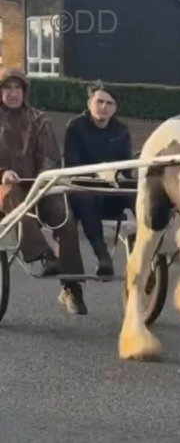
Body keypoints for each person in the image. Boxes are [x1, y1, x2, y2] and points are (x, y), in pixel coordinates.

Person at [0, 68, 88, 315]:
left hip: (37, 185)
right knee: (13, 196)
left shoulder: (39, 120)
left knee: (63, 213)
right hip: (4, 188)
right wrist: (3, 172)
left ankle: (72, 287)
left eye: (17, 88)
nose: (13, 93)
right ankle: (44, 254)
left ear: (25, 91)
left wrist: (43, 177)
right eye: (7, 88)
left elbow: (50, 156)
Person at [64, 81, 135, 277]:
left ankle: (146, 243)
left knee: (137, 192)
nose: (104, 107)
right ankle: (102, 255)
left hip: (112, 190)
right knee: (84, 197)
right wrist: (99, 174)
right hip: (84, 189)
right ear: (89, 104)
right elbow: (72, 165)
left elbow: (127, 166)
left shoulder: (121, 130)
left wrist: (120, 175)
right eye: (99, 102)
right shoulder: (76, 126)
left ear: (115, 108)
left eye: (109, 103)